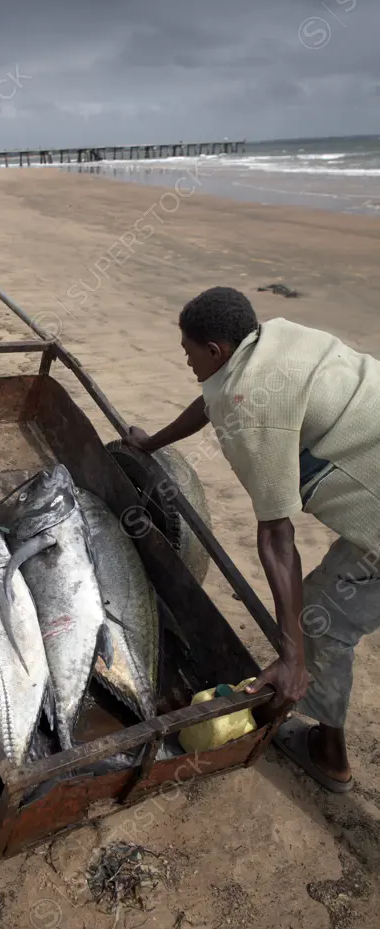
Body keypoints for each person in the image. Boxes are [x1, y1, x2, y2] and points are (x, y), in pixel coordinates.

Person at [125, 286, 380, 793]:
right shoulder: (275, 340)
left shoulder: (248, 405)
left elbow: (277, 539)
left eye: (188, 352)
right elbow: (209, 399)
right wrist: (151, 443)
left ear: (216, 351)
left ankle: (328, 755)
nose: (185, 360)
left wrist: (292, 658)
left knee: (318, 623)